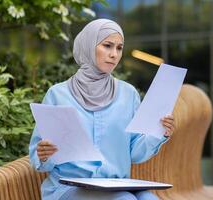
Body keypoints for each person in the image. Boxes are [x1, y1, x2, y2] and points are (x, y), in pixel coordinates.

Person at [29, 18, 175, 200]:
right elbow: (40, 157)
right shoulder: (58, 94)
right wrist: (44, 154)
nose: (114, 54)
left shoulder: (128, 95)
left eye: (119, 48)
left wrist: (159, 130)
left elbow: (135, 153)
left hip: (115, 187)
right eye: (107, 45)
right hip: (68, 189)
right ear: (89, 46)